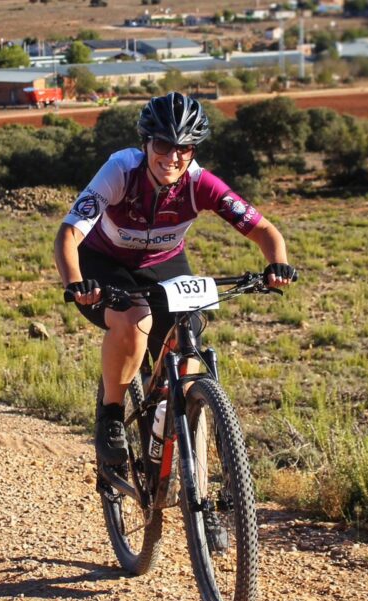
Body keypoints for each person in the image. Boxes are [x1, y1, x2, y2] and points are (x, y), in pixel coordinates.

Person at [52, 92, 297, 471]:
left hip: (163, 262)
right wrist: (76, 282)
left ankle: (174, 428)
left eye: (185, 147)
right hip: (104, 262)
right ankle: (111, 414)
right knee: (135, 320)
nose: (173, 156)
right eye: (163, 144)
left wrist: (277, 264)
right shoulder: (121, 171)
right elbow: (68, 234)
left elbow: (264, 230)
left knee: (190, 332)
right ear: (146, 143)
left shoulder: (201, 184)